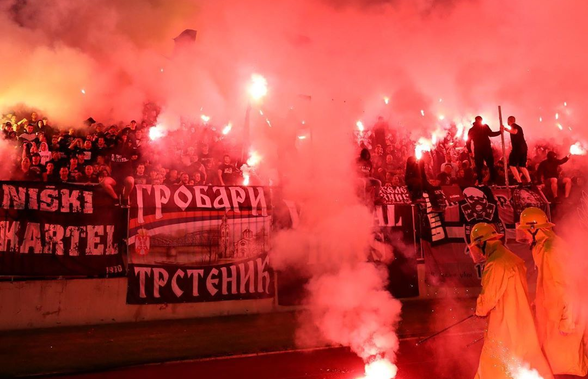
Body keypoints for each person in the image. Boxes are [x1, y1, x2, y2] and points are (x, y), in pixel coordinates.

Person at [469, 223, 553, 379]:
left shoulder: (495, 264)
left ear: (482, 243)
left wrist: (479, 311)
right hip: (523, 322)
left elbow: (488, 298)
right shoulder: (513, 259)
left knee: (493, 366)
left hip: (503, 326)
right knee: (529, 361)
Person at [517, 208, 588, 376]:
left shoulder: (551, 250)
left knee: (567, 367)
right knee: (559, 364)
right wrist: (540, 300)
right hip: (554, 318)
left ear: (535, 229)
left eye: (525, 231)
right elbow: (550, 283)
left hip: (562, 322)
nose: (523, 236)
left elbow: (567, 287)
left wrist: (567, 322)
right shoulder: (544, 247)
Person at [466, 116, 501, 185]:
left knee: (479, 166)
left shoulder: (472, 129)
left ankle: (480, 181)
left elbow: (468, 142)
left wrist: (470, 151)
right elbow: (491, 134)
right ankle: (492, 180)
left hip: (478, 150)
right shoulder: (484, 127)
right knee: (490, 165)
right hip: (486, 149)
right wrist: (500, 132)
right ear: (481, 120)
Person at [502, 116, 531, 184]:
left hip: (518, 148)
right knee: (522, 166)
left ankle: (519, 181)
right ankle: (529, 181)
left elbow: (514, 132)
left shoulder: (514, 126)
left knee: (512, 165)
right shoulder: (519, 127)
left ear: (509, 121)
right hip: (523, 148)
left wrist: (505, 129)